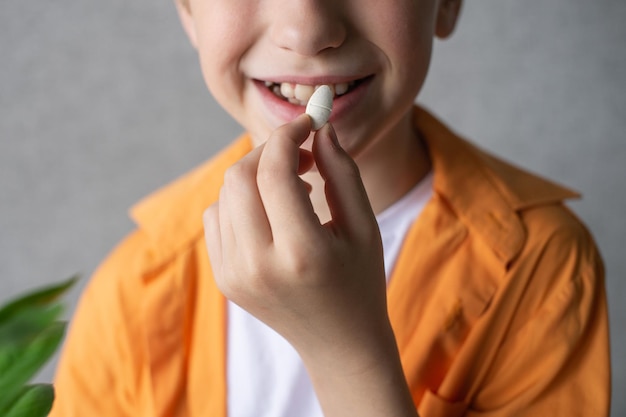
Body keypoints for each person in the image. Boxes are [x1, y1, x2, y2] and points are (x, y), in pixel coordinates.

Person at [50, 0, 611, 416]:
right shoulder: (134, 287)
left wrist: (347, 351)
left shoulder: (542, 266)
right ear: (189, 11)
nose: (307, 29)